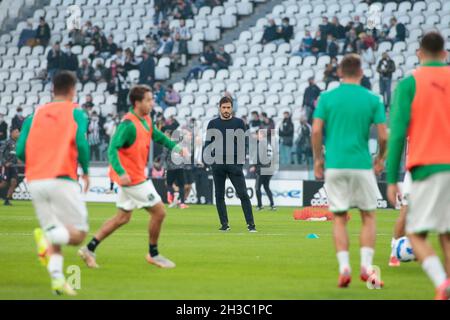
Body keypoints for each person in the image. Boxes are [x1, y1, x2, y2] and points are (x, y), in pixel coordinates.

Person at [78, 85, 186, 269]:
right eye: (148, 100)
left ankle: (89, 249)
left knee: (122, 218)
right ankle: (153, 254)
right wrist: (121, 172)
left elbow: (158, 136)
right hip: (131, 178)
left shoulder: (146, 119)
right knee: (159, 211)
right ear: (137, 103)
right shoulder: (128, 124)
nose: (152, 103)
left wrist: (176, 147)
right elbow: (112, 148)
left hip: (135, 176)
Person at [312, 54, 387, 288]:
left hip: (335, 164)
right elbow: (384, 134)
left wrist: (317, 160)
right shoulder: (372, 98)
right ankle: (366, 267)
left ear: (339, 73)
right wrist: (380, 158)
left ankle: (344, 268)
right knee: (368, 216)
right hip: (362, 164)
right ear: (362, 72)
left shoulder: (327, 97)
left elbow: (315, 131)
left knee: (339, 218)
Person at [386, 32, 450, 300]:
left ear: (419, 54)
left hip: (427, 166)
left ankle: (441, 282)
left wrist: (391, 178)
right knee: (447, 232)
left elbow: (398, 133)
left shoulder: (409, 84)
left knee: (414, 232)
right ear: (445, 54)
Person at [16, 71, 90, 295]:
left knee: (57, 230)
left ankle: (58, 280)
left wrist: (40, 162)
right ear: (72, 90)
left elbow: (20, 150)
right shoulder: (76, 112)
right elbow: (81, 143)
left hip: (35, 180)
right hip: (61, 178)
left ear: (53, 89)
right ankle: (46, 237)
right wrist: (86, 171)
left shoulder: (35, 115)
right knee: (78, 233)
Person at [204, 96, 257, 232]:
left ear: (232, 108)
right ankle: (224, 225)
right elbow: (208, 144)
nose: (226, 110)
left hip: (234, 164)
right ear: (219, 108)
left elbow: (244, 144)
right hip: (218, 164)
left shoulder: (239, 123)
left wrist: (239, 164)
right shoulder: (212, 124)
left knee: (243, 194)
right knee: (219, 195)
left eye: (228, 107)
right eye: (224, 107)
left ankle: (251, 225)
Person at [250, 129, 275, 211]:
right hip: (269, 168)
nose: (256, 136)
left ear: (261, 134)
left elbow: (259, 156)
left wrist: (254, 165)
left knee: (257, 187)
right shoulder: (268, 143)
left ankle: (259, 205)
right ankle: (272, 205)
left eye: (258, 134)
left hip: (262, 168)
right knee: (266, 187)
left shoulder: (261, 143)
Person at [0, 128, 20, 205]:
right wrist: (5, 163)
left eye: (18, 132)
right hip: (6, 166)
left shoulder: (17, 143)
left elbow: (15, 154)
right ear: (11, 133)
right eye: (16, 132)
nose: (18, 133)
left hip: (13, 166)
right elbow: (1, 152)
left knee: (14, 183)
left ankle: (7, 200)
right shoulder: (7, 142)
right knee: (4, 184)